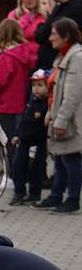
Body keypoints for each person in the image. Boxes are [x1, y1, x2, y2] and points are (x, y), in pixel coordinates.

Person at [34, 17, 82, 214]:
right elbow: (55, 90)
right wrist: (51, 115)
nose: (50, 37)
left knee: (70, 159)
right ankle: (56, 196)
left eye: (54, 34)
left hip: (71, 120)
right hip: (59, 116)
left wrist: (60, 119)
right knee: (61, 159)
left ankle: (72, 200)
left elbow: (72, 94)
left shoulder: (76, 57)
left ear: (66, 36)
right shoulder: (61, 57)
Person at [0, 19, 38, 168]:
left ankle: (11, 174)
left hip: (7, 104)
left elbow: (2, 81)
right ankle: (20, 173)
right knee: (18, 140)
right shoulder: (26, 52)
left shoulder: (6, 56)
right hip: (22, 102)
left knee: (6, 140)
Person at [9, 69, 50, 206]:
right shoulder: (31, 100)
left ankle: (34, 193)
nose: (36, 89)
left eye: (40, 85)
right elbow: (23, 120)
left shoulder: (47, 105)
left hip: (38, 142)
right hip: (24, 140)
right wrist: (16, 134)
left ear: (47, 87)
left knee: (36, 168)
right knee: (18, 165)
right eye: (34, 85)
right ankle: (19, 192)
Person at [35, 0, 82, 70]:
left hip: (64, 66)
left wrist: (40, 27)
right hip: (53, 65)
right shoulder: (59, 7)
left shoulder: (75, 8)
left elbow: (43, 35)